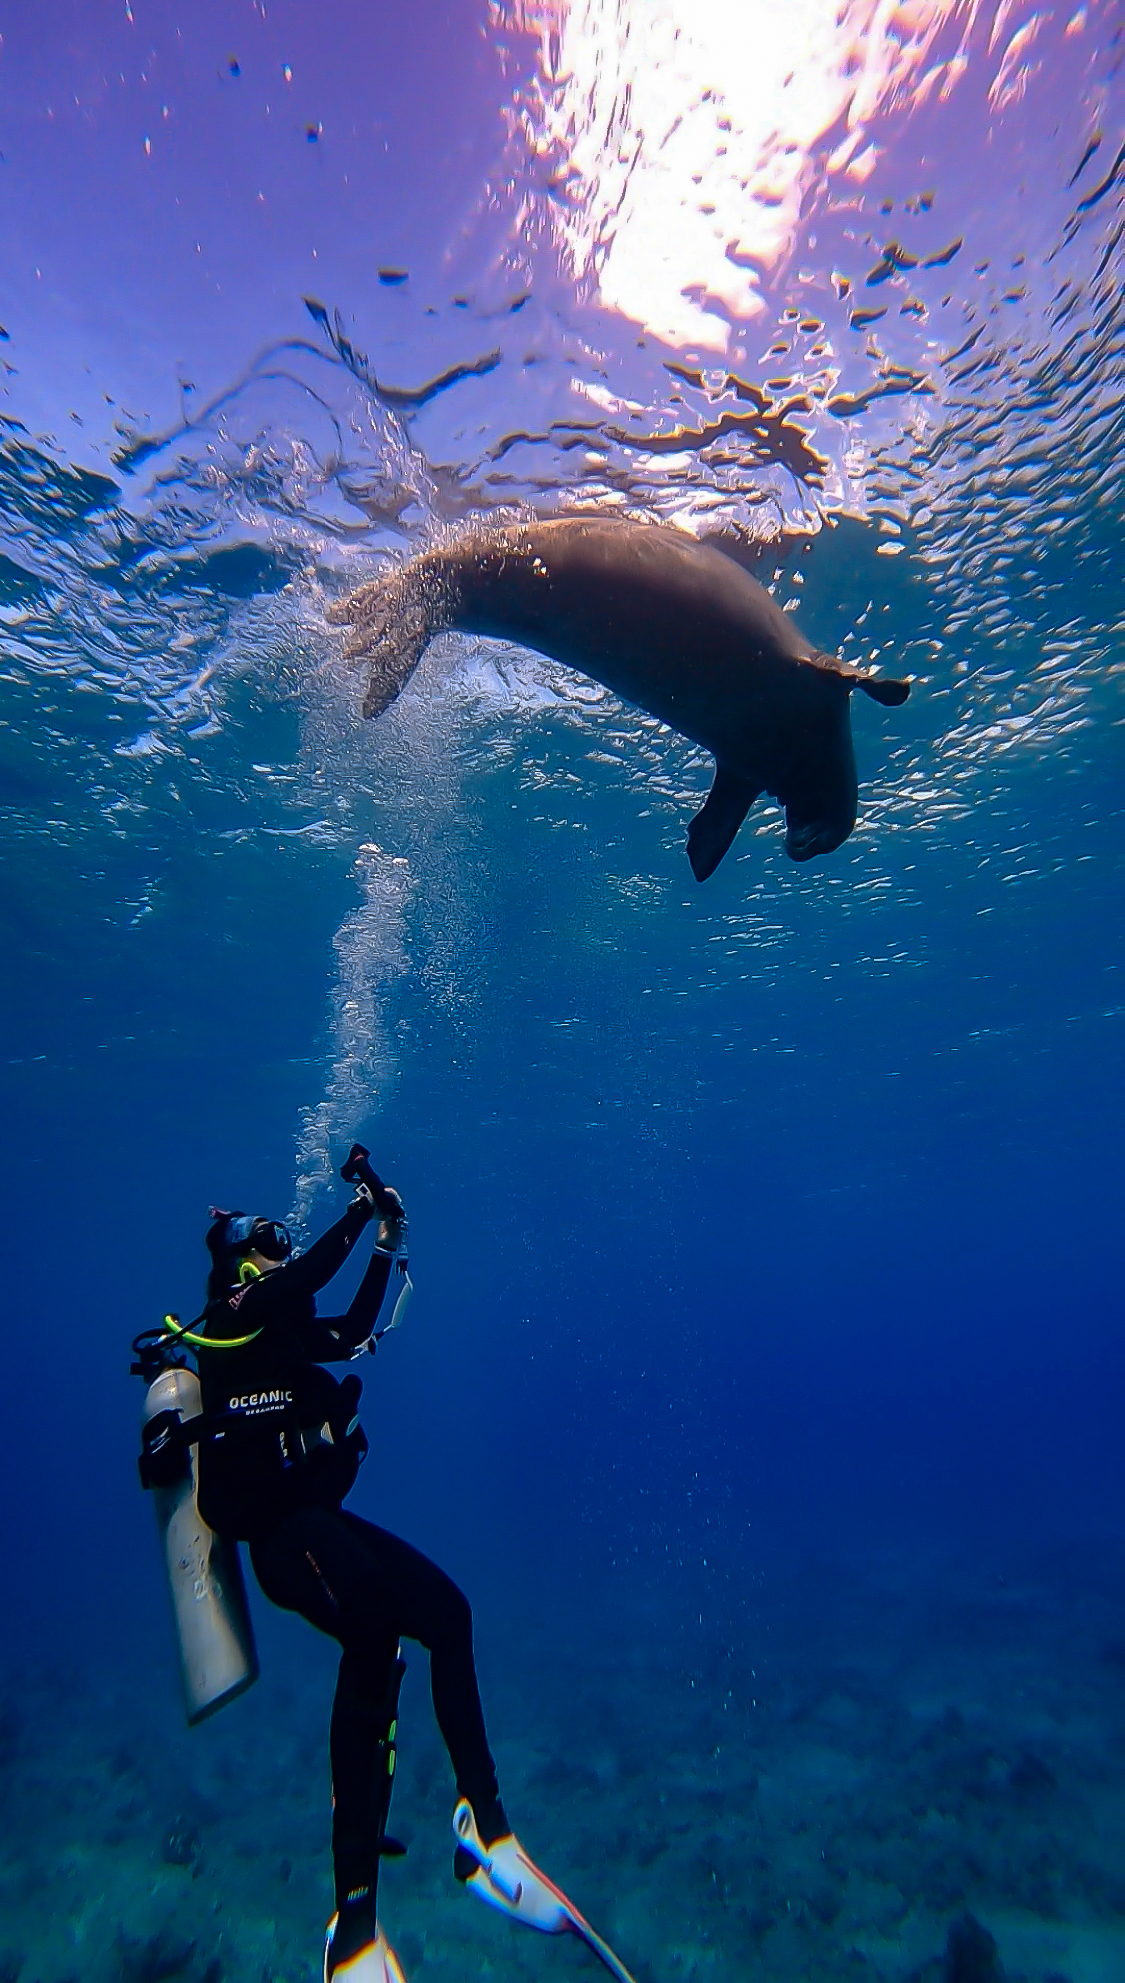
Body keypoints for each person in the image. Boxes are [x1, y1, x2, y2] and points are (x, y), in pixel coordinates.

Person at [189, 1150, 631, 1983]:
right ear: (239, 1260)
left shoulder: (278, 1325)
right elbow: (303, 1276)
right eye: (266, 1236)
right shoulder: (230, 1315)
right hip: (283, 1544)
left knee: (447, 1614)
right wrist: (359, 1210)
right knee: (371, 1629)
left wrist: (388, 1241)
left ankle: (487, 1834)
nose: (282, 1244)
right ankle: (352, 1924)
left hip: (321, 1522)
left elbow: (352, 1328)